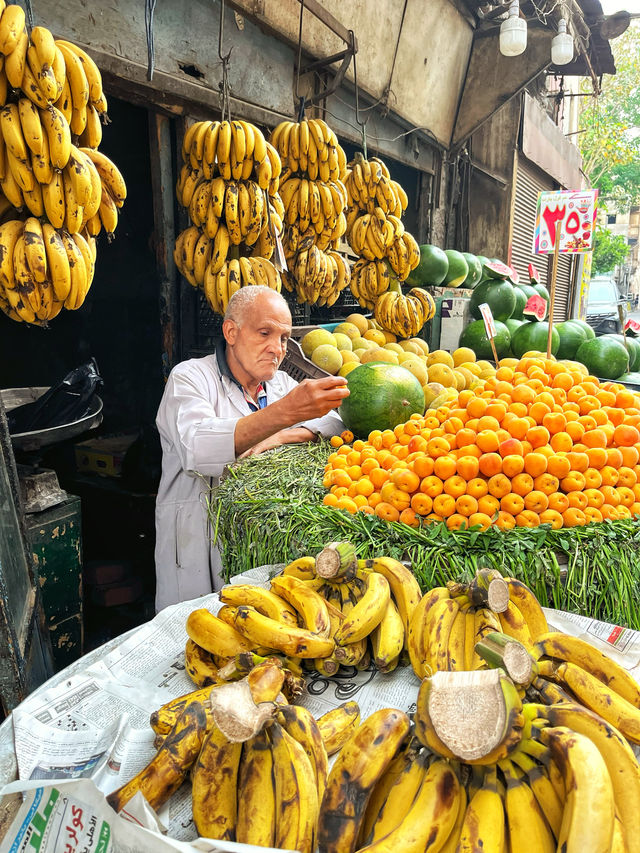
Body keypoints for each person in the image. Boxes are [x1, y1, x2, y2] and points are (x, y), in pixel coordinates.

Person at [154, 285, 349, 611]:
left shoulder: (281, 384)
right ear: (231, 332)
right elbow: (199, 448)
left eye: (285, 338)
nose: (277, 348)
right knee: (196, 631)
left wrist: (282, 435)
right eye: (264, 333)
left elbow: (335, 424)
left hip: (253, 542)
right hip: (196, 538)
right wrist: (287, 413)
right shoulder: (189, 378)